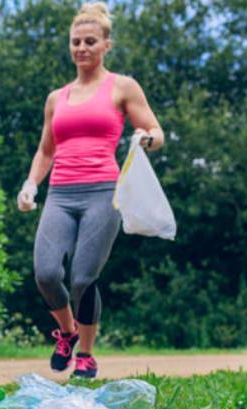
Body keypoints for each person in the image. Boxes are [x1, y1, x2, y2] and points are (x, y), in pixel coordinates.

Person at [17, 2, 164, 378]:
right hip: (61, 194)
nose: (81, 48)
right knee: (47, 273)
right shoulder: (57, 98)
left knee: (83, 278)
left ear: (106, 46)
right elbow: (46, 150)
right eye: (75, 42)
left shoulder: (123, 87)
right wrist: (31, 183)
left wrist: (146, 139)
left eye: (90, 41)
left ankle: (86, 353)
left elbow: (157, 132)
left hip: (103, 192)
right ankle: (66, 332)